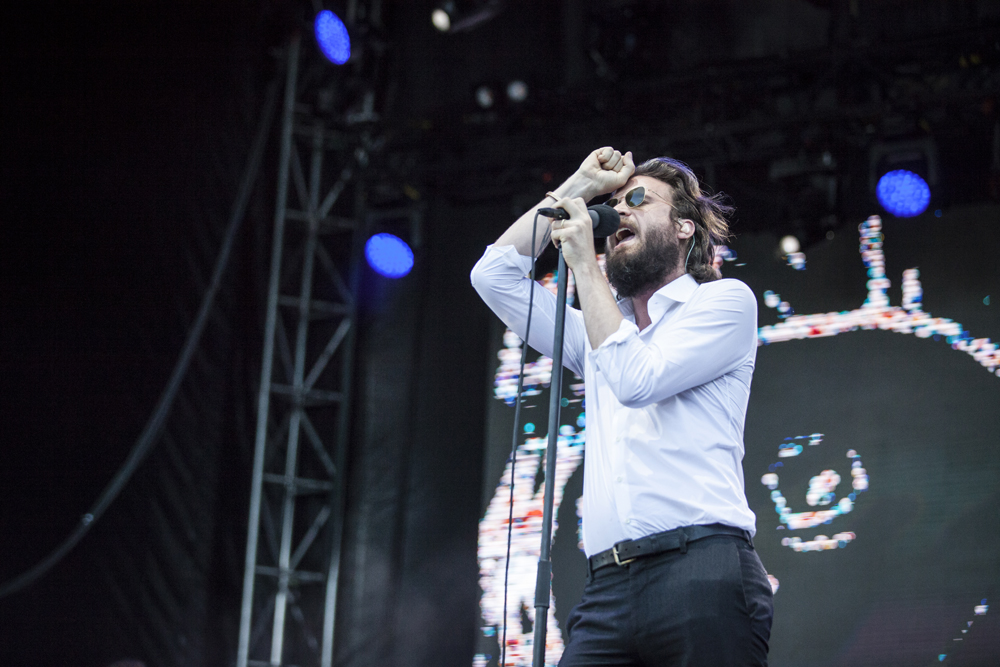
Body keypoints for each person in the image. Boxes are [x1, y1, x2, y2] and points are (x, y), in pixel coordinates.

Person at [470, 147, 773, 666]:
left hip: (701, 568)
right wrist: (579, 186)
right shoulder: (598, 334)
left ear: (683, 228)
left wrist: (585, 265)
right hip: (607, 585)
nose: (618, 214)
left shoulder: (723, 302)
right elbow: (494, 276)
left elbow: (638, 379)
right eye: (612, 206)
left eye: (638, 201)